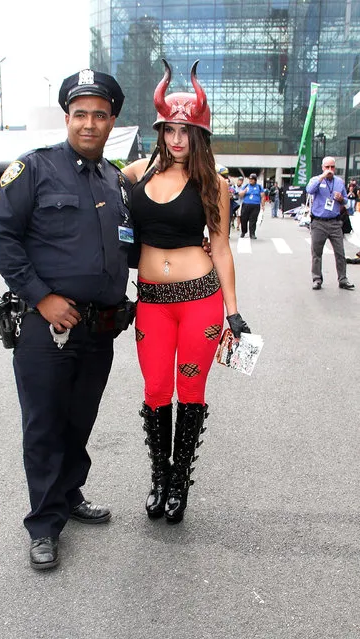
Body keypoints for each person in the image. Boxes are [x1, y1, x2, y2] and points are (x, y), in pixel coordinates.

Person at [0, 68, 134, 570]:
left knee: (79, 419)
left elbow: (125, 248)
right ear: (67, 117)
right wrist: (41, 296)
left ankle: (69, 495)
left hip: (100, 327)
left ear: (112, 121)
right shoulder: (34, 169)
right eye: (80, 114)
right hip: (48, 327)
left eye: (99, 115)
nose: (89, 124)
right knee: (45, 424)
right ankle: (44, 524)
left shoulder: (115, 180)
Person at [122, 59, 250, 524]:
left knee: (190, 388)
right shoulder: (135, 174)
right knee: (155, 389)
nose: (177, 139)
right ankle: (159, 477)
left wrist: (234, 312)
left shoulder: (213, 184)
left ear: (199, 134)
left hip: (201, 301)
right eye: (169, 130)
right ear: (160, 132)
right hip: (152, 302)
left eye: (185, 131)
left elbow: (220, 246)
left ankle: (180, 483)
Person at [306, 156, 355, 290]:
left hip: (334, 222)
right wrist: (322, 176)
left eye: (332, 167)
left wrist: (341, 199)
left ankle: (343, 279)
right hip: (319, 222)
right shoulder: (316, 180)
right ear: (322, 167)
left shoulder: (339, 182)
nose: (330, 170)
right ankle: (317, 279)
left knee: (340, 253)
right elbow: (309, 190)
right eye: (327, 167)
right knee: (317, 253)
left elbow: (345, 200)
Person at [239, 173, 263, 239]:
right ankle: (243, 231)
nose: (250, 180)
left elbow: (262, 196)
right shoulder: (246, 186)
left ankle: (252, 233)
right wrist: (244, 191)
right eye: (250, 179)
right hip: (246, 204)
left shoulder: (259, 187)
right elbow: (240, 195)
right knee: (243, 219)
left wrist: (262, 205)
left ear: (255, 180)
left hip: (255, 205)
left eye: (252, 179)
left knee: (253, 220)